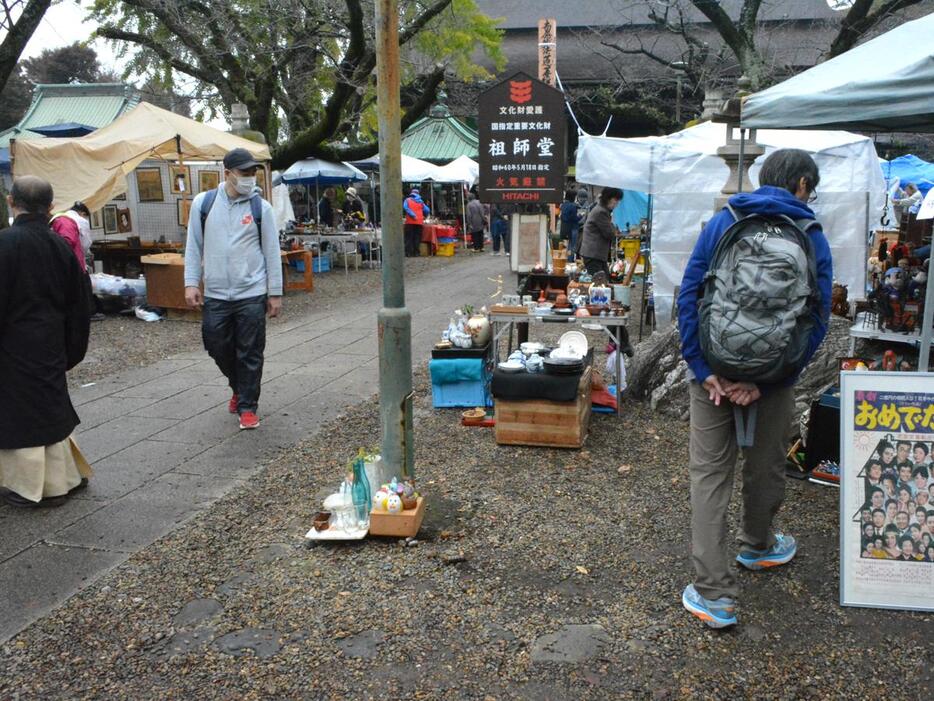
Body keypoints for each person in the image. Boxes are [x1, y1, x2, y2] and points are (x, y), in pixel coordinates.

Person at [676, 149, 833, 629]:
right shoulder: (809, 235)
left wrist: (703, 369)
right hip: (773, 378)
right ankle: (758, 546)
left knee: (710, 475)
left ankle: (714, 595)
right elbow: (817, 318)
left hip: (712, 376)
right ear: (803, 184)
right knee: (765, 463)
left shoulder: (724, 221)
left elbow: (688, 294)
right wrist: (770, 379)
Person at [0, 176, 92, 506]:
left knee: (20, 413)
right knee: (52, 406)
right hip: (53, 340)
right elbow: (80, 303)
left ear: (12, 202)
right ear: (51, 207)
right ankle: (65, 476)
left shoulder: (4, 244)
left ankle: (31, 487)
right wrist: (72, 349)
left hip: (13, 345)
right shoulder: (61, 247)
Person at [184, 148, 283, 430]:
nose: (250, 178)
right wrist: (191, 282)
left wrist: (274, 292)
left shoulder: (260, 208)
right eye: (244, 173)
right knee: (216, 344)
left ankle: (248, 406)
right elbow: (193, 246)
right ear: (227, 174)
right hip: (216, 292)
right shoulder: (203, 204)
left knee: (250, 351)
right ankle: (238, 387)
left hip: (251, 292)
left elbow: (271, 252)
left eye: (253, 172)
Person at [579, 187, 622, 277]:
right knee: (600, 283)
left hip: (595, 254)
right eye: (616, 200)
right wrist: (615, 230)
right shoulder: (601, 212)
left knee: (603, 281)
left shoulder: (602, 210)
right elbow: (609, 233)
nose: (617, 204)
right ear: (608, 199)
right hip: (593, 254)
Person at [50, 201, 92, 270]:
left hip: (58, 260)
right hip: (75, 260)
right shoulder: (81, 221)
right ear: (83, 213)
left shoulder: (57, 218)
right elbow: (85, 244)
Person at [403, 188, 429, 257]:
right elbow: (427, 210)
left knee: (409, 238)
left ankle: (408, 253)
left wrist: (412, 215)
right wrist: (424, 216)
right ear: (418, 194)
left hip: (409, 222)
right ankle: (416, 253)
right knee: (417, 238)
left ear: (411, 194)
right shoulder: (421, 202)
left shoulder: (407, 200)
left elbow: (406, 208)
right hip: (419, 222)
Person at [560, 189, 579, 259]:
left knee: (566, 246)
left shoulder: (563, 205)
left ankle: (566, 259)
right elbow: (574, 218)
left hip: (565, 228)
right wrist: (580, 216)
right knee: (572, 246)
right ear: (572, 197)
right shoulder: (573, 206)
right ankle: (569, 260)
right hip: (573, 228)